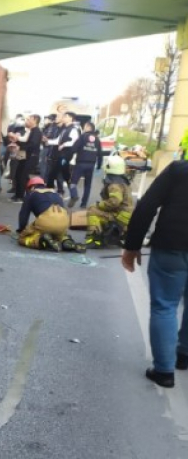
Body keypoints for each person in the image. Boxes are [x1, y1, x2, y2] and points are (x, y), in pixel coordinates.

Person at [121, 159, 188, 388]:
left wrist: (132, 246)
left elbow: (147, 205)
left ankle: (164, 370)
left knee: (165, 305)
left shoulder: (179, 170)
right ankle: (184, 354)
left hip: (172, 243)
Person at [16, 176, 85, 252]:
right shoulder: (55, 193)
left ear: (32, 187)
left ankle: (41, 240)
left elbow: (23, 216)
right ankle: (66, 241)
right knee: (57, 235)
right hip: (63, 223)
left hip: (47, 222)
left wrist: (21, 230)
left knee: (23, 238)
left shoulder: (31, 194)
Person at [85, 155, 133, 248]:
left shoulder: (114, 184)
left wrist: (100, 205)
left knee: (92, 210)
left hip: (120, 216)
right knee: (97, 209)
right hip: (125, 215)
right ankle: (120, 233)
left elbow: (114, 202)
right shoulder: (122, 181)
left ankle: (95, 239)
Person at [68, 121, 103, 208]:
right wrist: (99, 165)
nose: (83, 128)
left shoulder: (82, 137)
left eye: (84, 127)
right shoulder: (97, 140)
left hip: (80, 163)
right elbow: (100, 154)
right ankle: (84, 204)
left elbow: (73, 149)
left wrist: (68, 158)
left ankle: (74, 195)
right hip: (91, 165)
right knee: (87, 184)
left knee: (73, 182)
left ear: (88, 127)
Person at [45, 111, 80, 194]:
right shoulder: (65, 129)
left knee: (52, 173)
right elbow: (58, 140)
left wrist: (64, 144)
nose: (63, 118)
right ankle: (74, 194)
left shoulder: (74, 129)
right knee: (66, 175)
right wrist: (48, 141)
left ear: (70, 118)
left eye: (65, 116)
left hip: (66, 155)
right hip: (61, 155)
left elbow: (74, 142)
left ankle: (49, 193)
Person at [9, 114, 42, 202]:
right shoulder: (30, 131)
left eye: (29, 119)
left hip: (31, 157)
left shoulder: (36, 131)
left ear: (35, 121)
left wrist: (21, 146)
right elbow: (24, 140)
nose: (26, 121)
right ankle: (20, 194)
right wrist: (16, 140)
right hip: (24, 156)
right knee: (19, 175)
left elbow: (32, 144)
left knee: (23, 176)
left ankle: (21, 196)